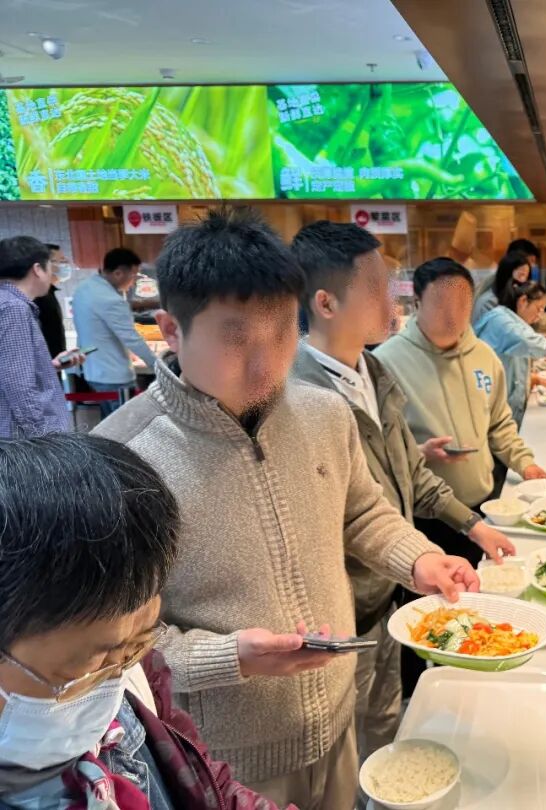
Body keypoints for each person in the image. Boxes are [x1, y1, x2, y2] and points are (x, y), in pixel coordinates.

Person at [94, 208, 479, 809]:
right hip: (227, 760)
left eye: (281, 334)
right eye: (235, 338)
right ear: (171, 329)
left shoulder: (323, 412)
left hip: (338, 718)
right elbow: (109, 649)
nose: (265, 364)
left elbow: (361, 512)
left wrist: (420, 559)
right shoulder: (121, 460)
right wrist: (229, 658)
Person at [289, 220, 515, 764]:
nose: (393, 301)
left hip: (390, 588)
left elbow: (412, 473)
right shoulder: (295, 396)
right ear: (325, 303)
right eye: (376, 288)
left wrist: (474, 525)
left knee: (387, 720)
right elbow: (340, 518)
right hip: (338, 612)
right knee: (338, 746)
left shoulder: (374, 371)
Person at [0, 433, 290, 810]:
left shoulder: (135, 676)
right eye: (88, 664)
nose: (114, 681)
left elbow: (202, 784)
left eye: (138, 643)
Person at [374, 257, 546, 566]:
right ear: (417, 303)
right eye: (441, 305)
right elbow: (375, 454)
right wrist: (419, 452)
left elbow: (499, 423)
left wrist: (525, 463)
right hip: (424, 517)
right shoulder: (385, 363)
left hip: (484, 506)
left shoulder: (484, 356)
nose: (453, 317)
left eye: (462, 306)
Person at [0, 235, 82, 439]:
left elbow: (10, 369)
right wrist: (43, 439)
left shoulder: (8, 302)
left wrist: (50, 366)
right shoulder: (14, 308)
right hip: (22, 438)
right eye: (50, 266)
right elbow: (18, 385)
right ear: (37, 269)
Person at [72, 247, 159, 418]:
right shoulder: (110, 300)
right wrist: (159, 366)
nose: (133, 282)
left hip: (94, 371)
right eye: (133, 276)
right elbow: (132, 338)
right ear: (118, 273)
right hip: (114, 376)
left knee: (109, 423)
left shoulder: (84, 288)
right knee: (124, 425)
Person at [475, 280, 546, 426]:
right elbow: (527, 343)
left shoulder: (513, 320)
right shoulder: (500, 320)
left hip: (506, 410)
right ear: (523, 301)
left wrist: (532, 378)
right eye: (539, 308)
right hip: (494, 412)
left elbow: (514, 367)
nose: (539, 316)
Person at [32, 243, 71, 362]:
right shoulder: (38, 296)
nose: (66, 264)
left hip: (55, 363)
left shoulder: (49, 292)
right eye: (61, 261)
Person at [472, 250, 532, 325]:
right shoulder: (489, 303)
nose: (524, 280)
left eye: (526, 277)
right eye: (521, 275)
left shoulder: (515, 300)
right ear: (507, 274)